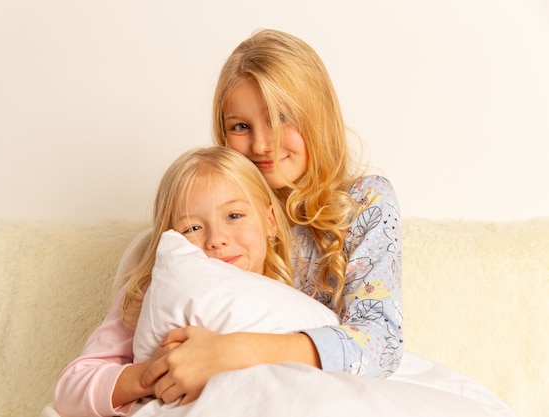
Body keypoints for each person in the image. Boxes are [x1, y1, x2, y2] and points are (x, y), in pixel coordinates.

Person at [142, 28, 404, 404]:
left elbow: (381, 341)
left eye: (282, 119)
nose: (263, 144)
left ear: (318, 117)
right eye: (241, 126)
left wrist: (233, 352)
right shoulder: (205, 218)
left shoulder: (364, 202)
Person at [53, 146, 295, 417]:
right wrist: (150, 374)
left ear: (270, 221)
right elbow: (71, 388)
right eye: (192, 227)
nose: (217, 238)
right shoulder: (149, 295)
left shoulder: (294, 301)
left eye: (234, 216)